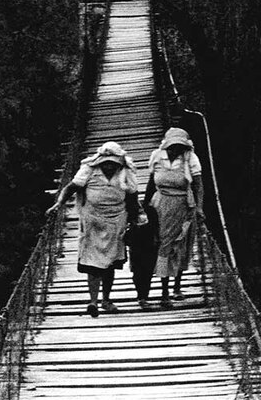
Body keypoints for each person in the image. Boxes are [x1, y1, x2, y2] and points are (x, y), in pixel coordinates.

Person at [60, 140, 139, 317]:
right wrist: (58, 204)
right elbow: (71, 188)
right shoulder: (89, 170)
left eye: (113, 164)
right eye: (106, 163)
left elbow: (133, 197)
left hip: (116, 222)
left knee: (110, 262)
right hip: (92, 223)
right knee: (92, 263)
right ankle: (93, 301)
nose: (109, 167)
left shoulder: (126, 171)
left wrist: (134, 220)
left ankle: (106, 300)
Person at [143, 127, 203, 305]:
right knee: (163, 246)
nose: (174, 150)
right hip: (160, 205)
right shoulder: (156, 156)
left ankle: (176, 286)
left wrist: (199, 208)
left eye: (178, 147)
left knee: (181, 246)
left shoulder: (190, 158)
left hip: (183, 206)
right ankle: (164, 291)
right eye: (172, 147)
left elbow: (198, 186)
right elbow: (151, 182)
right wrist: (144, 206)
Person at [124, 199, 160, 309]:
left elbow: (156, 226)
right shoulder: (130, 211)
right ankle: (141, 296)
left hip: (149, 242)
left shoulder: (150, 210)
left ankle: (143, 296)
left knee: (147, 271)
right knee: (138, 271)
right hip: (136, 243)